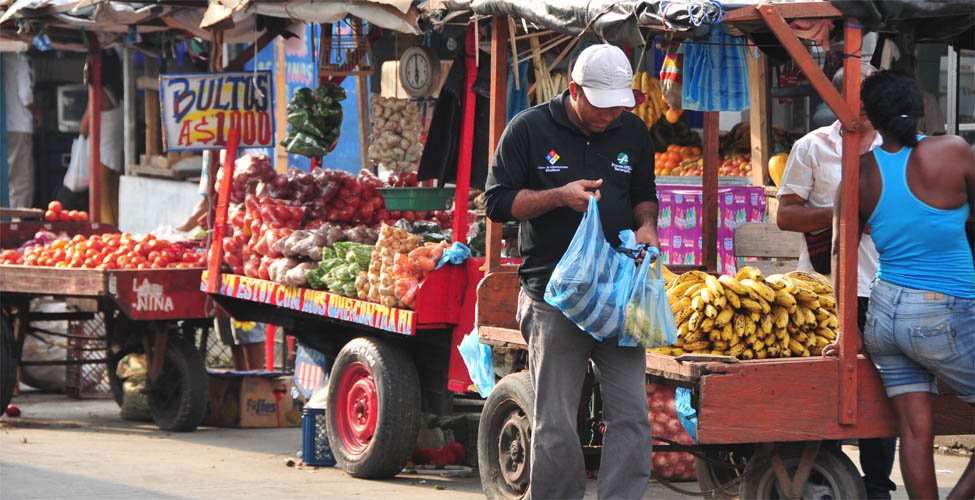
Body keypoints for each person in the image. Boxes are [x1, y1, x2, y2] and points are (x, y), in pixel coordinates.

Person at [484, 43, 658, 499]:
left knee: (632, 416)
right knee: (556, 421)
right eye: (601, 107)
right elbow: (496, 202)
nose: (610, 116)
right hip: (553, 298)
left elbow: (644, 194)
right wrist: (559, 196)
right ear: (574, 90)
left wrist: (647, 227)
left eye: (618, 107)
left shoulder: (632, 130)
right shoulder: (528, 128)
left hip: (618, 295)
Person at [837, 69, 974, 500]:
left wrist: (847, 330)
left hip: (883, 317)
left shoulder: (860, 172)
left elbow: (839, 255)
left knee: (914, 432)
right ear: (921, 108)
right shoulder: (954, 151)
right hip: (942, 311)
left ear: (871, 117)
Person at [776, 68, 898, 500]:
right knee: (825, 388)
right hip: (825, 291)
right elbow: (786, 215)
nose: (863, 107)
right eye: (855, 97)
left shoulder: (896, 149)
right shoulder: (812, 146)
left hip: (884, 289)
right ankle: (823, 476)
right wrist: (843, 214)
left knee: (881, 391)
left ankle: (878, 486)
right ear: (835, 99)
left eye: (870, 98)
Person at [79, 50, 123, 224]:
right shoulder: (117, 91)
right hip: (116, 154)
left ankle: (108, 236)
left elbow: (84, 127)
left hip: (102, 156)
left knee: (102, 204)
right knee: (113, 202)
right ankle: (117, 234)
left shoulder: (98, 93)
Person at [3, 52, 36, 208]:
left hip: (6, 125)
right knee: (21, 178)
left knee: (9, 176)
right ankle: (19, 217)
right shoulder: (20, 61)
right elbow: (26, 97)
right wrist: (37, 113)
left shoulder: (5, 60)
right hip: (19, 125)